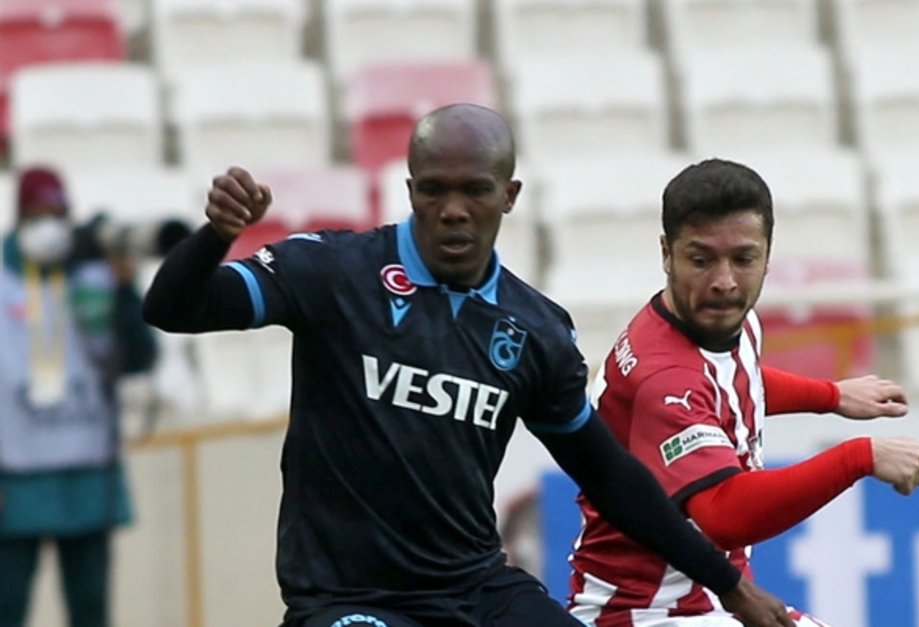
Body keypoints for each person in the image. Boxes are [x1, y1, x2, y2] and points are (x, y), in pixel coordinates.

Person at [142, 104, 797, 627]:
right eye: (434, 190)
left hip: (473, 589)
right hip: (350, 599)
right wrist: (217, 236)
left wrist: (728, 584)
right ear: (411, 191)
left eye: (475, 190)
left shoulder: (534, 329)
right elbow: (173, 307)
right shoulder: (335, 274)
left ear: (508, 195)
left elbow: (608, 473)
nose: (453, 209)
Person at [566, 159, 919, 626]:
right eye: (701, 260)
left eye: (743, 259)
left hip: (707, 599)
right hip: (645, 613)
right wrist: (859, 457)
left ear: (767, 256)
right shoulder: (663, 378)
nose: (724, 281)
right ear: (667, 253)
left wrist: (831, 396)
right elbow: (725, 513)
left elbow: (732, 381)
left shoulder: (725, 323)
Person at [0, 167, 157, 627]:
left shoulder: (95, 272)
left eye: (58, 215)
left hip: (88, 473)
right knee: (7, 606)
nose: (49, 226)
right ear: (19, 217)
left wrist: (124, 288)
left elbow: (139, 358)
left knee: (91, 611)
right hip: (14, 478)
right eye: (37, 216)